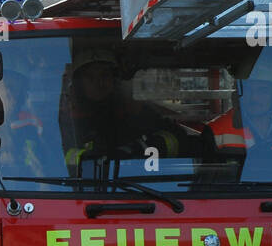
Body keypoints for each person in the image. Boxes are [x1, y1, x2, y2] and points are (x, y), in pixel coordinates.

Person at [61, 45, 184, 175]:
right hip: (85, 188)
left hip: (140, 184)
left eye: (105, 75)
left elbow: (177, 139)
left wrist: (146, 147)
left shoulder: (135, 111)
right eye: (90, 77)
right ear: (79, 84)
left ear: (115, 80)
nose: (99, 83)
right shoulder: (68, 120)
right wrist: (91, 157)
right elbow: (53, 160)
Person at [205, 56, 272, 157]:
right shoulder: (216, 131)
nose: (254, 98)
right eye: (247, 90)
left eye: (262, 90)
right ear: (238, 93)